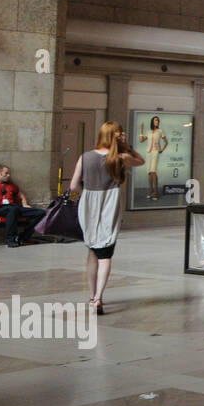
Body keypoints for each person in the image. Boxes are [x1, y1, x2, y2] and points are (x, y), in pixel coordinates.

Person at [68, 122, 145, 312]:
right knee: (105, 254)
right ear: (118, 137)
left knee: (93, 251)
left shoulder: (85, 157)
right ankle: (98, 298)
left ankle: (92, 295)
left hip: (88, 205)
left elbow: (73, 186)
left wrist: (88, 190)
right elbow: (141, 160)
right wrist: (126, 146)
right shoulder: (121, 157)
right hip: (109, 205)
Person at [0, 165, 47, 247]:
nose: (8, 175)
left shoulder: (11, 185)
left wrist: (25, 204)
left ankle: (23, 237)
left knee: (42, 213)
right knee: (12, 210)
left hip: (14, 207)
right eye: (6, 173)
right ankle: (10, 240)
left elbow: (20, 194)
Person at [139, 115, 168, 201]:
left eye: (157, 121)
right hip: (148, 152)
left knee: (153, 171)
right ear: (152, 122)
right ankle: (151, 191)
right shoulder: (148, 131)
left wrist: (161, 150)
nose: (157, 122)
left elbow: (166, 142)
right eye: (155, 121)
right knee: (149, 172)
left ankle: (156, 192)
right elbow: (141, 140)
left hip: (155, 152)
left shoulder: (160, 131)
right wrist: (141, 130)